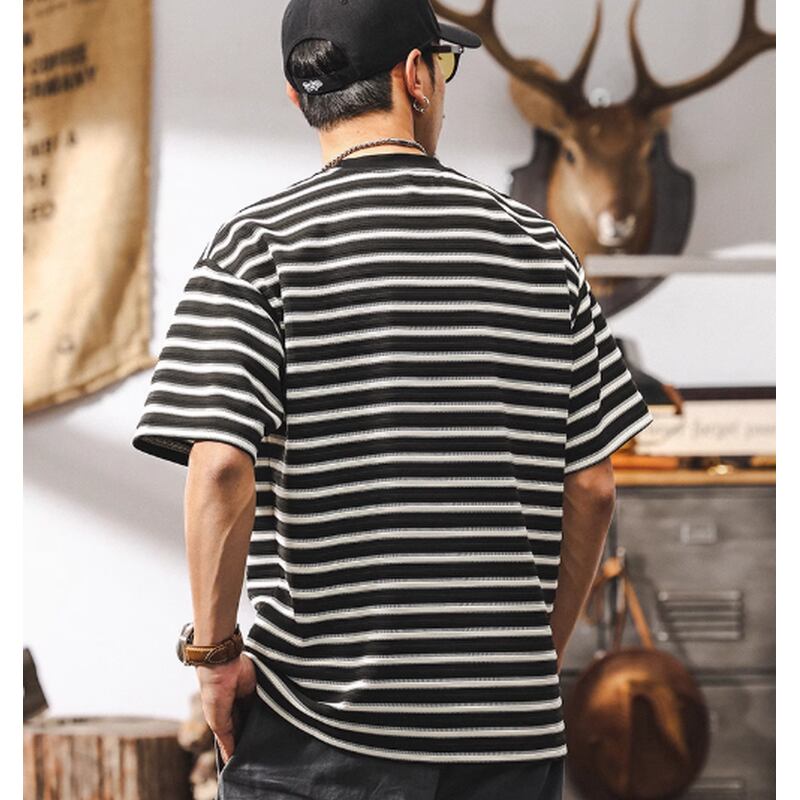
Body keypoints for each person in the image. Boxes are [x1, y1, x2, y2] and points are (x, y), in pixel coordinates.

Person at [131, 0, 654, 798]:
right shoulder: (541, 249)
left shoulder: (257, 248)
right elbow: (591, 487)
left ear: (297, 95)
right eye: (442, 68)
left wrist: (214, 657)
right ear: (415, 76)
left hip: (321, 733)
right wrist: (529, 663)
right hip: (508, 746)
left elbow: (221, 468)